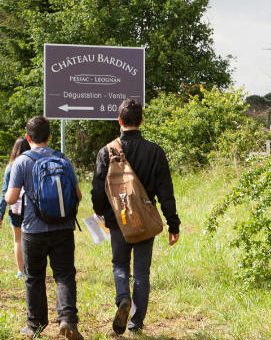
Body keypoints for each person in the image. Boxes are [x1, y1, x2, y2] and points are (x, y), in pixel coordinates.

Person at [91, 99, 181, 335]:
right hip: (144, 221)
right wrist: (173, 223)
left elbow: (98, 190)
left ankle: (123, 298)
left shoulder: (106, 151)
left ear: (119, 122)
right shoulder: (155, 151)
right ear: (141, 121)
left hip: (118, 221)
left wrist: (100, 212)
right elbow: (165, 192)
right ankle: (135, 324)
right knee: (142, 272)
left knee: (120, 264)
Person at [5, 116, 83, 340]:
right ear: (50, 136)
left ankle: (34, 325)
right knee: (65, 275)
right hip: (63, 228)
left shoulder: (21, 161)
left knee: (34, 277)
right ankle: (68, 319)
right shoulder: (63, 159)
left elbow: (11, 198)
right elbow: (77, 195)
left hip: (33, 230)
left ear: (28, 138)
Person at [0, 137, 30, 279]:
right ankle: (32, 269)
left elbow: (5, 191)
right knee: (32, 238)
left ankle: (20, 271)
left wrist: (0, 214)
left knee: (18, 239)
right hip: (31, 207)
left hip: (15, 207)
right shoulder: (32, 163)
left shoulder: (10, 167)